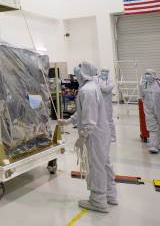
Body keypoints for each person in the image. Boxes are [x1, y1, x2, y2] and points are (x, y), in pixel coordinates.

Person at [59, 62, 117, 213]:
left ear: (83, 73)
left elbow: (89, 119)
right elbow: (83, 111)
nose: (75, 74)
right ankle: (110, 195)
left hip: (94, 135)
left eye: (77, 71)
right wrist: (68, 121)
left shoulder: (87, 90)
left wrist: (82, 137)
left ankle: (98, 201)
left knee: (96, 166)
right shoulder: (92, 87)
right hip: (102, 132)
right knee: (104, 164)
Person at [139, 69, 160, 154]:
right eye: (146, 74)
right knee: (152, 127)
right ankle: (153, 146)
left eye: (149, 74)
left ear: (154, 75)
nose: (147, 76)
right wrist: (148, 105)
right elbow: (142, 96)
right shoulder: (143, 85)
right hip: (149, 109)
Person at [97, 67, 116, 142]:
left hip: (107, 104)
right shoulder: (96, 79)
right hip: (98, 102)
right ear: (100, 72)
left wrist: (100, 87)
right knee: (99, 120)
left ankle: (112, 136)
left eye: (106, 71)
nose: (104, 73)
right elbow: (95, 87)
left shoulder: (110, 80)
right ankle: (101, 136)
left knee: (109, 120)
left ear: (108, 72)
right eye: (103, 71)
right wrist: (102, 88)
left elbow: (107, 89)